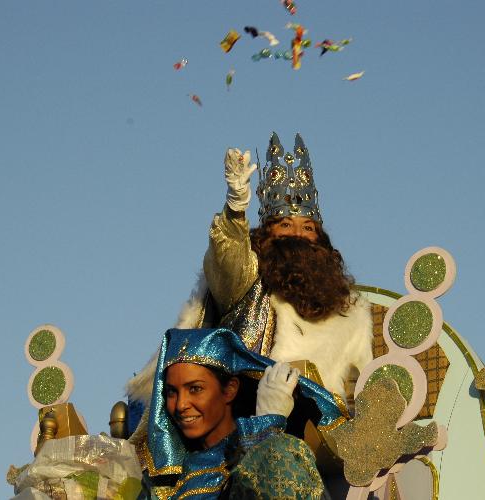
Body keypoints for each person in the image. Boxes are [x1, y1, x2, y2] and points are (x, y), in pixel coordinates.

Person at [126, 133, 372, 429]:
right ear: (266, 236)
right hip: (240, 412)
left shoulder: (350, 310)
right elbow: (228, 263)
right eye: (284, 224)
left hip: (318, 426)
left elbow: (364, 380)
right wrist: (235, 207)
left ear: (320, 240)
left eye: (307, 227)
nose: (297, 234)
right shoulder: (251, 282)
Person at [137, 327, 345, 499]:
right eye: (172, 392)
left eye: (195, 389)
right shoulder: (162, 485)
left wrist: (267, 431)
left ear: (229, 390)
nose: (181, 404)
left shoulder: (265, 448)